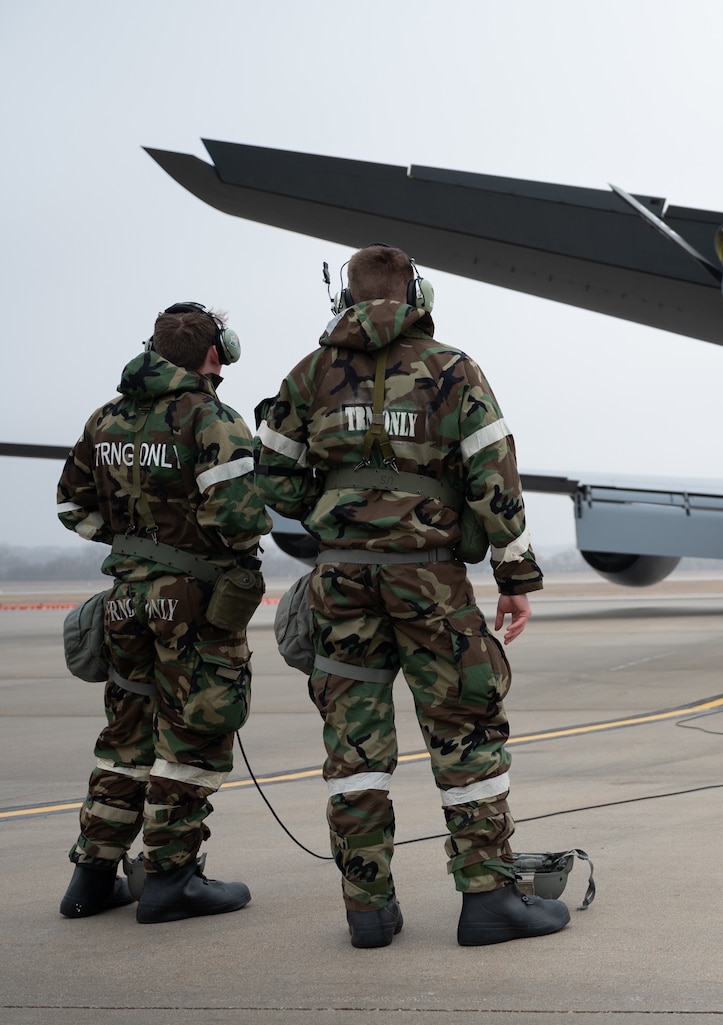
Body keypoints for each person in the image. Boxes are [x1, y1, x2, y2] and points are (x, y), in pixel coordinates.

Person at [255, 244, 564, 948]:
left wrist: (333, 510)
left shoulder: (307, 376)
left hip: (341, 579)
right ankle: (486, 898)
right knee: (463, 727)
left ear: (346, 299)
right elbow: (495, 478)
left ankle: (368, 910)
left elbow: (271, 472)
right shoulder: (453, 369)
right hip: (428, 578)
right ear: (417, 292)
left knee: (353, 743)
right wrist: (514, 578)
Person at [55, 303, 268, 922]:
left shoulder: (106, 420)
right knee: (193, 736)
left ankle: (91, 878)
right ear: (215, 353)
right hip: (192, 603)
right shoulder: (212, 419)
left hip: (124, 600)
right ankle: (172, 878)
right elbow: (242, 521)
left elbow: (72, 508)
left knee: (125, 735)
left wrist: (133, 551)